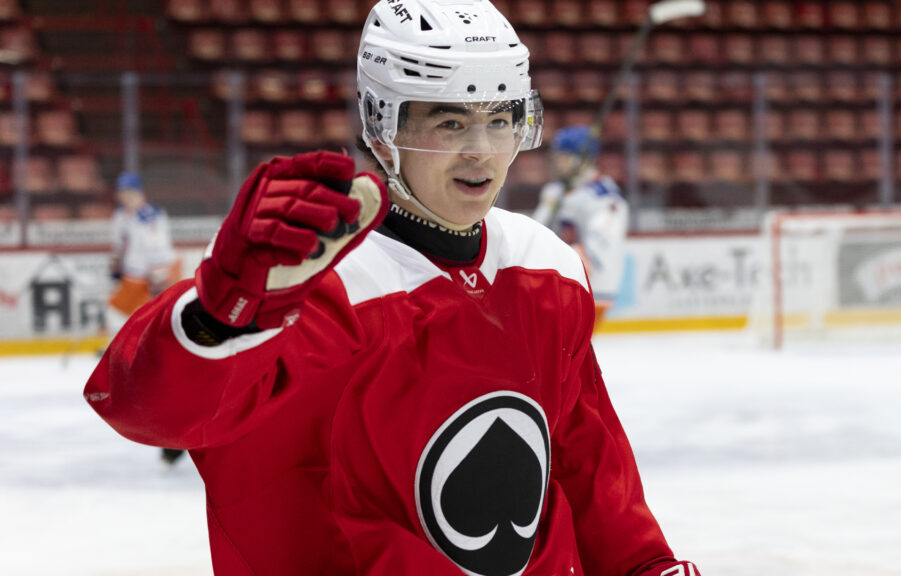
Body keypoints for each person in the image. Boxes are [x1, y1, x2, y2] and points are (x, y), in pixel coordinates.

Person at [85, 1, 701, 575]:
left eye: (501, 120)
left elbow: (585, 462)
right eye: (450, 121)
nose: (481, 151)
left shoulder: (546, 267)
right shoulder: (318, 283)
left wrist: (645, 567)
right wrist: (223, 315)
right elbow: (148, 409)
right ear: (380, 130)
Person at [107, 171, 186, 464]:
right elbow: (118, 245)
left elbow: (158, 248)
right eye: (121, 190)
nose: (124, 195)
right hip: (134, 276)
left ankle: (144, 361)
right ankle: (133, 360)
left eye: (129, 190)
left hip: (154, 277)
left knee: (155, 330)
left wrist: (158, 278)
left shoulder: (150, 215)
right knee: (119, 317)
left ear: (138, 192)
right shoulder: (121, 217)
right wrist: (115, 265)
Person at [532, 125, 630, 324]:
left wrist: (549, 260)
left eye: (564, 156)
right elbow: (534, 234)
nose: (558, 161)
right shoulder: (554, 192)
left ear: (582, 159)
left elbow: (596, 253)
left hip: (590, 290)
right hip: (556, 287)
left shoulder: (605, 198)